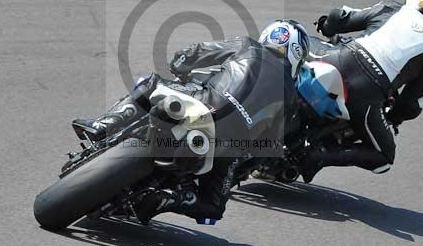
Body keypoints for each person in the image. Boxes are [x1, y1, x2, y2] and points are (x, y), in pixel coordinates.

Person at [72, 20, 310, 223]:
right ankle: (170, 199)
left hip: (205, 102)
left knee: (151, 83)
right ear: (297, 57)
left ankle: (104, 124)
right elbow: (268, 148)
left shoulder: (248, 46)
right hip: (228, 146)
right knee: (212, 209)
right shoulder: (290, 96)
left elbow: (195, 53)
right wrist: (244, 164)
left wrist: (180, 66)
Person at [299, 0, 423, 182]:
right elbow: (411, 104)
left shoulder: (391, 8)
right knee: (385, 157)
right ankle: (318, 157)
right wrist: (393, 118)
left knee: (296, 43)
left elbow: (341, 17)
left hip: (338, 57)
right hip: (367, 92)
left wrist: (326, 25)